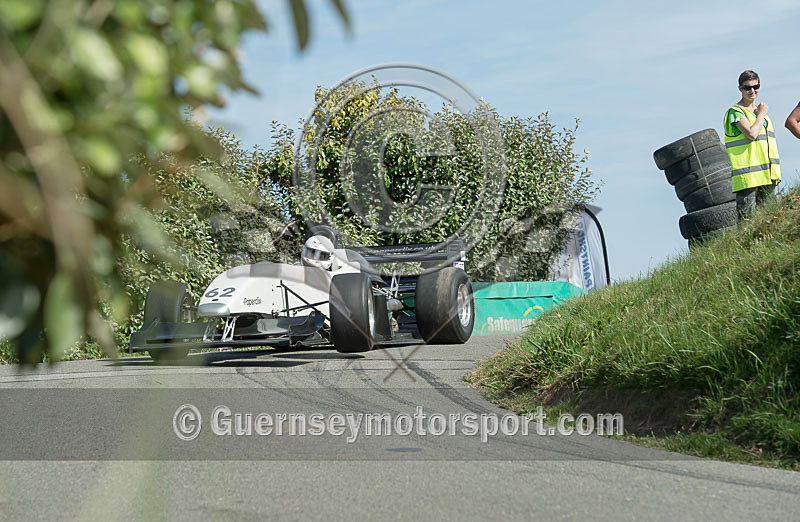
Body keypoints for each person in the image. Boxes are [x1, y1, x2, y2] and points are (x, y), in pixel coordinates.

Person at [723, 70, 781, 219]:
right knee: (746, 223)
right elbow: (751, 134)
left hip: (767, 174)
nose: (752, 91)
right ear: (740, 89)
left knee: (769, 219)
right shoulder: (735, 112)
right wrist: (761, 114)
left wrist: (760, 114)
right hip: (748, 178)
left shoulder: (761, 114)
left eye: (756, 86)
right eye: (747, 87)